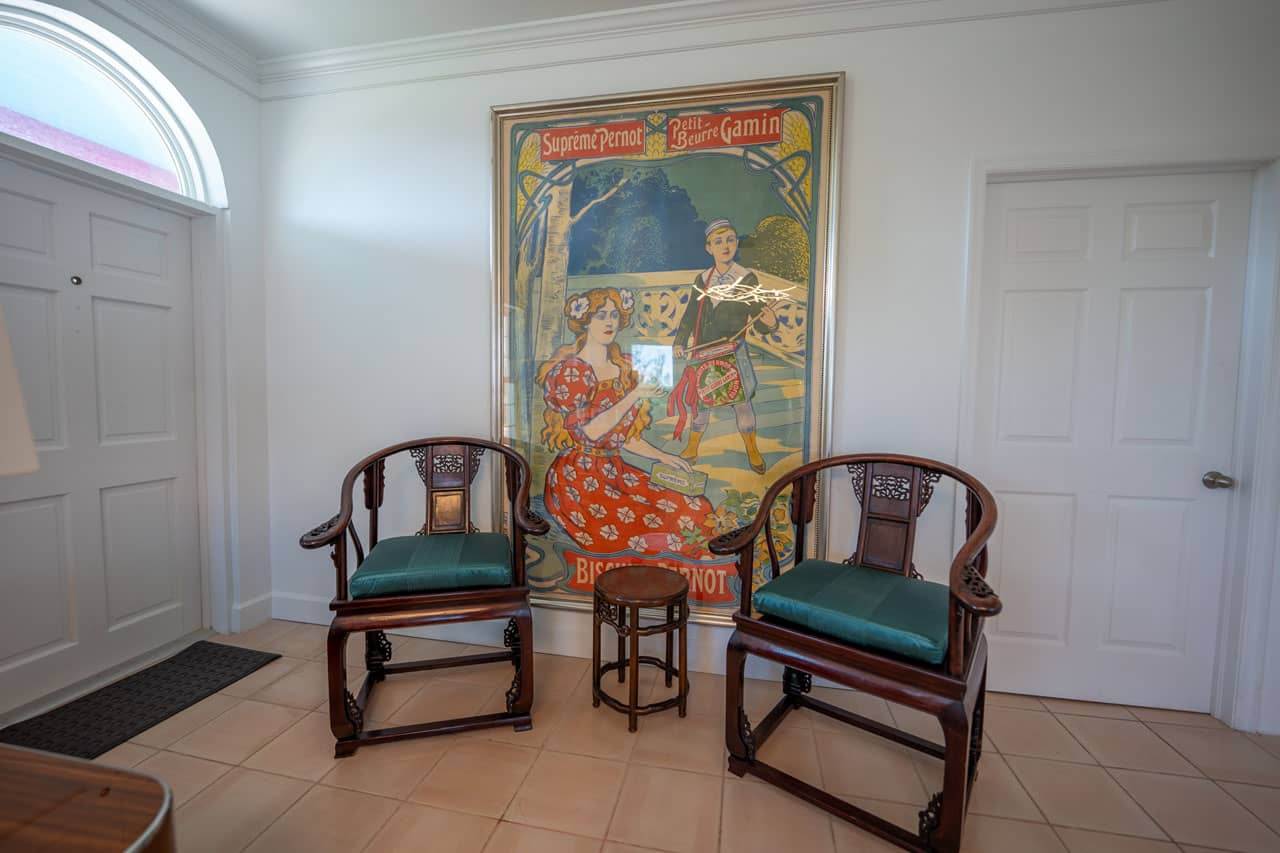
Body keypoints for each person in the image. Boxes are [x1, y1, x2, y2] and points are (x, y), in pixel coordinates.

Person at [536, 287, 713, 556]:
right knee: (643, 528)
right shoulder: (573, 370)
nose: (609, 322)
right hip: (579, 478)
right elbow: (591, 432)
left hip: (615, 470)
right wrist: (635, 394)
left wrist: (663, 456)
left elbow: (625, 439)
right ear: (585, 321)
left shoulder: (625, 367)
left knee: (694, 507)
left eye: (614, 315)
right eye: (601, 315)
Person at [668, 218, 778, 474]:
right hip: (703, 351)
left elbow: (759, 317)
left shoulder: (747, 278)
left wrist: (770, 322)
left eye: (730, 240)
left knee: (742, 403)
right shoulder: (702, 279)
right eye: (718, 242)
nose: (725, 246)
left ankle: (752, 449)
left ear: (736, 243)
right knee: (701, 404)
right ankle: (692, 447)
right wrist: (679, 342)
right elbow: (689, 315)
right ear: (709, 248)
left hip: (733, 353)